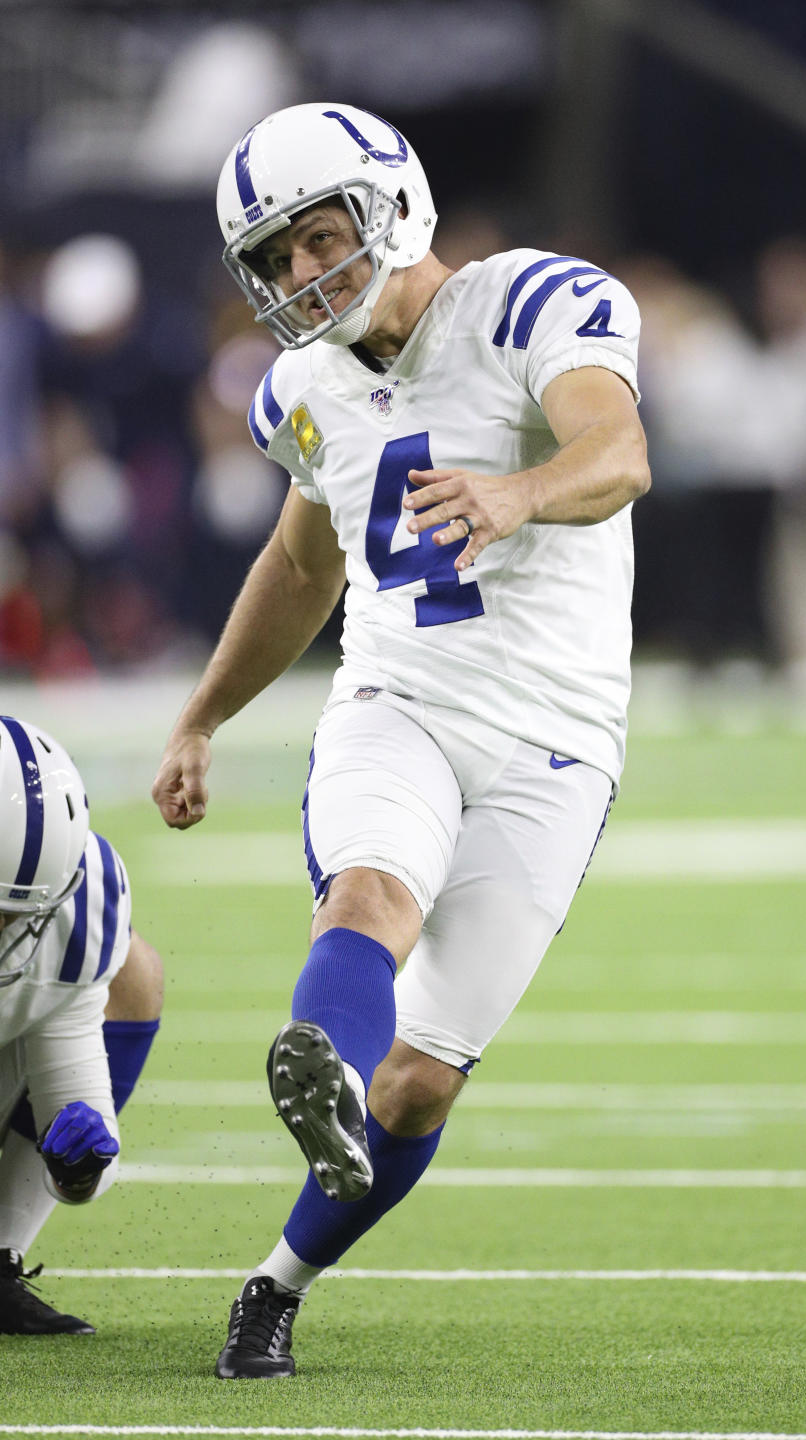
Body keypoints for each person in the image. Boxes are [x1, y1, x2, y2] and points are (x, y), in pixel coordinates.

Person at [151, 102, 649, 1380]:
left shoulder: (529, 304)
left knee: (422, 1085)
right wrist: (205, 712)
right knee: (369, 895)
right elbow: (303, 560)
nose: (300, 276)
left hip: (556, 736)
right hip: (401, 700)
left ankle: (277, 1280)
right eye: (274, 260)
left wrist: (519, 491)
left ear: (392, 205)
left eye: (319, 237)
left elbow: (619, 448)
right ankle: (319, 1062)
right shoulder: (301, 390)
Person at [0, 715, 163, 1335]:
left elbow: (82, 1130)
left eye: (13, 916)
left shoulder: (80, 912)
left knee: (135, 973)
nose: (2, 934)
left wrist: (78, 1167)